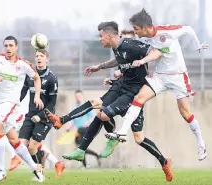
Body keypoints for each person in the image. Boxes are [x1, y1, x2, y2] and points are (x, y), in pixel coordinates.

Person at [46, 21, 173, 181]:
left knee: (138, 138)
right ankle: (70, 134)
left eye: (101, 36)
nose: (99, 40)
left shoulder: (132, 45)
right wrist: (99, 67)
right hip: (121, 86)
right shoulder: (117, 47)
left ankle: (164, 161)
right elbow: (118, 61)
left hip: (134, 94)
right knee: (96, 105)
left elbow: (157, 52)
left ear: (109, 35)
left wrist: (143, 61)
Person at [106, 9, 207, 162]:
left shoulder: (167, 32)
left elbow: (188, 29)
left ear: (145, 27)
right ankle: (122, 131)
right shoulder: (145, 40)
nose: (136, 32)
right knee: (139, 98)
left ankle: (200, 142)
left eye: (136, 29)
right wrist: (122, 71)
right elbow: (145, 53)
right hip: (160, 77)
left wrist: (197, 45)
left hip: (178, 76)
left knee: (185, 113)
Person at [0, 36, 45, 182]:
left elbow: (36, 78)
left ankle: (0, 170)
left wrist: (36, 96)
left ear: (16, 47)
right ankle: (35, 167)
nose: (8, 48)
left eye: (11, 45)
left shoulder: (23, 64)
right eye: (6, 46)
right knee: (13, 140)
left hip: (11, 104)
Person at [18, 49, 65, 180]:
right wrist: (14, 104)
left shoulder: (52, 78)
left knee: (32, 147)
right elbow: (22, 93)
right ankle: (42, 155)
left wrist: (40, 115)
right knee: (21, 146)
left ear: (47, 59)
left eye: (41, 56)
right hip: (30, 115)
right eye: (37, 56)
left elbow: (52, 103)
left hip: (45, 117)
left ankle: (39, 174)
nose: (38, 58)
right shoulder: (30, 75)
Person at [65, 90, 101, 168]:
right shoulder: (74, 107)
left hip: (85, 129)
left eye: (79, 96)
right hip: (78, 130)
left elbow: (93, 117)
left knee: (80, 148)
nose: (78, 98)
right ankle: (94, 157)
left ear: (82, 96)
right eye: (76, 96)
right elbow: (73, 119)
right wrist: (69, 127)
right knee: (80, 148)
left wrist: (87, 123)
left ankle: (85, 165)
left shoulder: (86, 106)